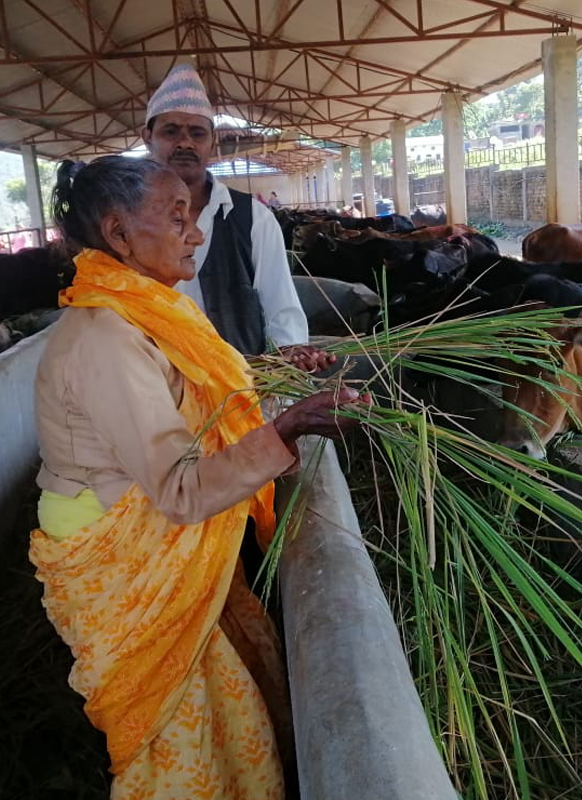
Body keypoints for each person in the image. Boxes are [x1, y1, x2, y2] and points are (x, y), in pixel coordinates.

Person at [30, 155, 366, 799]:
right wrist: (287, 429)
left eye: (193, 217)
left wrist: (273, 372)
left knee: (231, 693)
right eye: (177, 218)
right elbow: (181, 489)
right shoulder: (106, 336)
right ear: (119, 234)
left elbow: (193, 392)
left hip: (147, 528)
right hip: (118, 545)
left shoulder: (146, 312)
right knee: (184, 729)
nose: (195, 233)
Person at [141, 63, 331, 371]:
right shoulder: (129, 221)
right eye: (171, 131)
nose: (185, 143)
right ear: (148, 137)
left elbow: (282, 312)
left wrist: (292, 360)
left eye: (197, 133)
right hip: (157, 392)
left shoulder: (253, 219)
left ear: (212, 142)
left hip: (241, 394)